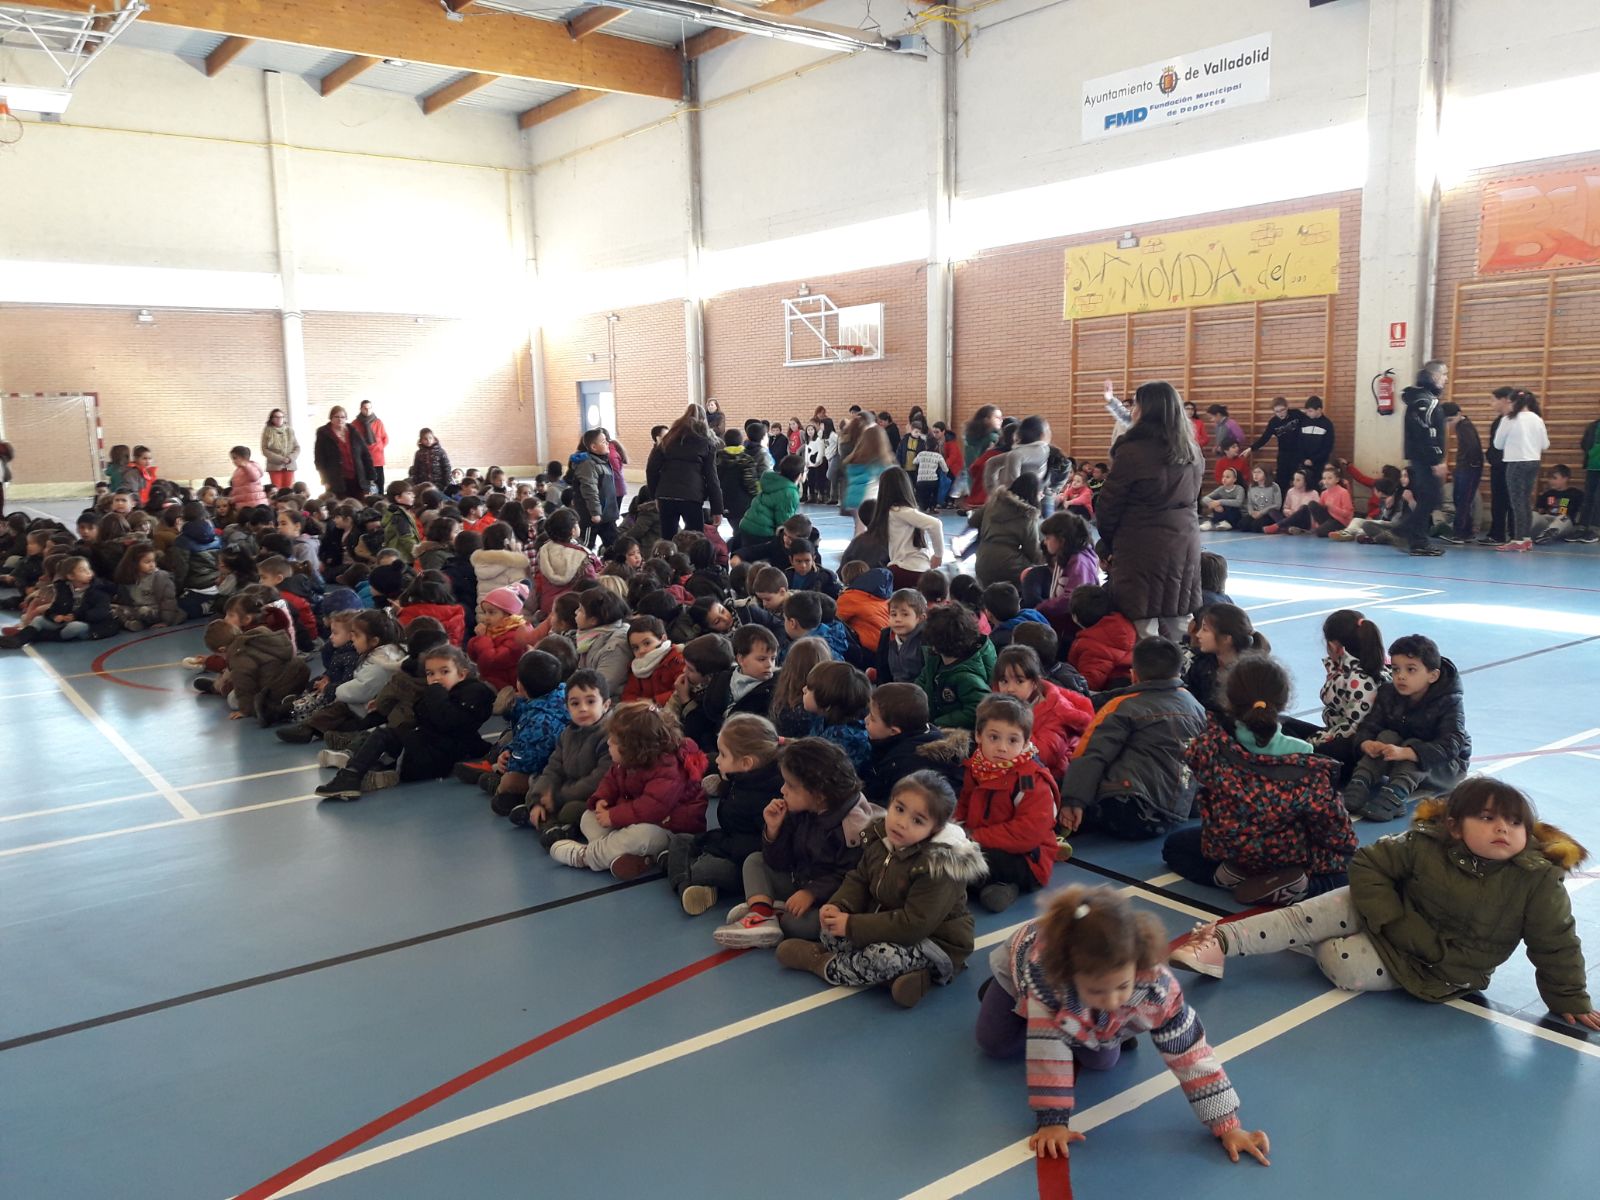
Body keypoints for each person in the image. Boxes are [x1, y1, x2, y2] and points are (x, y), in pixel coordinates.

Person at [1169, 777, 1596, 1033]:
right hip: (1386, 914)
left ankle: (1313, 936)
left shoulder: (1536, 880)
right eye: (1486, 818)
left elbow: (1555, 943)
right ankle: (1218, 941)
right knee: (1316, 911)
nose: (1503, 828)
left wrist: (1569, 998)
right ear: (1453, 826)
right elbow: (1369, 863)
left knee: (1344, 965)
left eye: (1514, 822)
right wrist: (1388, 914)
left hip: (1432, 967)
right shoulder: (1425, 844)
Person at [977, 886, 1269, 1166]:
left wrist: (1227, 1125)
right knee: (995, 1044)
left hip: (1083, 1005)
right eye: (1098, 991)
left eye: (1122, 987)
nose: (1113, 1000)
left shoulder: (1158, 989)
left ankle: (1101, 1024)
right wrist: (1053, 1121)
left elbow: (1192, 1054)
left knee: (1101, 1061)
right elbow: (1047, 1051)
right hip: (1020, 970)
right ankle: (1005, 996)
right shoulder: (1050, 982)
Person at [776, 771, 986, 1009]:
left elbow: (914, 924)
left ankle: (821, 962)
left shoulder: (939, 867)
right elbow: (859, 879)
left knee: (881, 957)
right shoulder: (882, 839)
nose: (902, 822)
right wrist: (839, 906)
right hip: (884, 923)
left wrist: (852, 925)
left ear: (935, 829)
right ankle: (902, 979)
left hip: (933, 942)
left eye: (918, 821)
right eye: (899, 809)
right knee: (830, 930)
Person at [1164, 654, 1357, 906]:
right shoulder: (1305, 759)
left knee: (1174, 847)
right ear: (1284, 701)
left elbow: (1193, 764)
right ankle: (1299, 886)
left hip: (1230, 846)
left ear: (1228, 700)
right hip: (1289, 855)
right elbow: (1335, 831)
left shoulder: (1211, 746)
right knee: (1348, 873)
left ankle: (1227, 876)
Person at [712, 737, 876, 948]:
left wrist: (812, 893)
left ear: (818, 794)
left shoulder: (852, 827)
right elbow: (778, 862)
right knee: (754, 861)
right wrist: (773, 831)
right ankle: (762, 914)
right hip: (800, 879)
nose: (782, 790)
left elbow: (851, 878)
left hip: (831, 899)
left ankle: (772, 913)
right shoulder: (801, 809)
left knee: (798, 925)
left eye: (790, 785)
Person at [1061, 636, 1208, 841]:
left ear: (1134, 675)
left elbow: (1091, 753)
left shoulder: (1122, 706)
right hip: (1182, 809)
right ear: (1179, 671)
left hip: (1130, 811)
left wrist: (1072, 800)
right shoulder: (1195, 705)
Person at [546, 701, 708, 880]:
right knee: (588, 818)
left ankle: (586, 856)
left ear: (634, 750)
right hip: (633, 816)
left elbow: (651, 809)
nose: (608, 743)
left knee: (640, 836)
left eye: (614, 742)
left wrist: (613, 816)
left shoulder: (669, 771)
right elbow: (611, 780)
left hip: (669, 829)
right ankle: (632, 856)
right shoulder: (628, 761)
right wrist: (602, 799)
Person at [1096, 381, 1203, 641]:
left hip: (1141, 545)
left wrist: (1107, 545)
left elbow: (1109, 505)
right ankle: (1187, 677)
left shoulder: (1132, 451)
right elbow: (1193, 497)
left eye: (1136, 403)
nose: (1132, 410)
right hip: (1184, 542)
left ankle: (1152, 679)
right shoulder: (1192, 451)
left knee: (1143, 628)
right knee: (1180, 622)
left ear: (1147, 409)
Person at [315, 644, 493, 798]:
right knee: (383, 734)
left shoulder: (472, 693)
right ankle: (359, 774)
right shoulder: (438, 694)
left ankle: (367, 773)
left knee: (385, 737)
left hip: (437, 758)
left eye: (444, 671)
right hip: (427, 750)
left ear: (462, 674)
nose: (436, 678)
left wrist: (435, 693)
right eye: (430, 674)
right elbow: (423, 717)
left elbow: (450, 722)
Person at [667, 713, 785, 916]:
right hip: (728, 842)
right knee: (679, 841)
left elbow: (762, 848)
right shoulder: (741, 779)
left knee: (706, 868)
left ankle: (687, 877)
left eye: (722, 754)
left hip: (743, 860)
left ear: (746, 763)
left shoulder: (766, 795)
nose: (717, 760)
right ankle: (688, 886)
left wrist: (719, 848)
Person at [1343, 633, 1468, 822]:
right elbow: (1370, 725)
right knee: (1386, 735)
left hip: (1445, 768)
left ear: (1433, 675)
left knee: (1415, 744)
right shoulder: (1388, 693)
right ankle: (1360, 782)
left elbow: (1452, 744)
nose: (1400, 676)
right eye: (1395, 669)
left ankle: (1394, 795)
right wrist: (1366, 743)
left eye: (1411, 670)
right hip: (1398, 757)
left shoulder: (1449, 701)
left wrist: (1408, 752)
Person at [956, 695, 1058, 913]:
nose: (1002, 748)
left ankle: (978, 885)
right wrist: (954, 830)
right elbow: (963, 803)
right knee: (946, 848)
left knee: (966, 860)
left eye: (1012, 740)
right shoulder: (977, 766)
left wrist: (973, 836)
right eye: (994, 737)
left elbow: (1026, 834)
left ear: (1026, 742)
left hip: (1027, 859)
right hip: (981, 841)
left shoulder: (1031, 780)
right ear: (978, 735)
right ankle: (996, 886)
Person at [511, 668, 615, 841]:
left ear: (605, 705)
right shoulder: (567, 734)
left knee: (571, 810)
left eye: (590, 701)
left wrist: (557, 797)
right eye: (575, 703)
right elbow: (554, 768)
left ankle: (551, 824)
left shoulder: (610, 736)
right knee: (536, 785)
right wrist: (541, 797)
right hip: (567, 788)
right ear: (567, 707)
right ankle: (540, 813)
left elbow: (598, 780)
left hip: (596, 796)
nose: (582, 708)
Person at [646, 405, 723, 540]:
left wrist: (656, 495)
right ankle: (692, 561)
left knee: (668, 539)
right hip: (692, 496)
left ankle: (668, 560)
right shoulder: (706, 442)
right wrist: (717, 509)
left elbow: (651, 469)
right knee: (695, 540)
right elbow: (712, 477)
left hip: (666, 495)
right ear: (704, 420)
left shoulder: (668, 439)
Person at [1396, 361, 1449, 556]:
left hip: (1420, 457)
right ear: (1434, 377)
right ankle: (1406, 532)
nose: (1446, 379)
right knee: (1431, 498)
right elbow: (1429, 432)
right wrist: (1437, 459)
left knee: (1429, 498)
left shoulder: (1420, 400)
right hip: (1425, 458)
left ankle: (1413, 537)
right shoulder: (1426, 402)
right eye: (1444, 375)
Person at [915, 602, 994, 729]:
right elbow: (923, 681)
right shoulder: (935, 660)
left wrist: (940, 722)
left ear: (936, 644)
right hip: (931, 721)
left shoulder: (967, 677)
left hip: (955, 733)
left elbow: (978, 709)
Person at [1492, 387, 1549, 553]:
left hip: (1516, 462)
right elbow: (1545, 444)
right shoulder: (1536, 419)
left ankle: (1518, 539)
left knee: (1517, 502)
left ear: (1514, 402)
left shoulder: (1509, 419)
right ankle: (1525, 538)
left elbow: (1498, 444)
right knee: (1525, 501)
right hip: (1533, 462)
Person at [974, 473, 1043, 588]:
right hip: (1009, 567)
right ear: (1033, 493)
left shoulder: (993, 503)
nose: (1043, 494)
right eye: (1041, 491)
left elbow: (973, 520)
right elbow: (1034, 554)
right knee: (1039, 573)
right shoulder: (1027, 515)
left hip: (982, 562)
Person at [1436, 402, 1483, 545]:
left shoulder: (1465, 427)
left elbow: (1473, 447)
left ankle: (1460, 533)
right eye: (1446, 421)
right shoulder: (1461, 426)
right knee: (1460, 500)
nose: (1449, 424)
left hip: (1469, 469)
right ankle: (1466, 532)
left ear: (1459, 414)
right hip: (1465, 467)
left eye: (1450, 420)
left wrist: (1468, 465)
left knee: (1463, 501)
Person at [313, 406, 375, 499]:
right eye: (336, 417)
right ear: (331, 418)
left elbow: (365, 455)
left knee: (361, 505)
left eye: (342, 417)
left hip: (358, 479)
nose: (340, 419)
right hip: (336, 480)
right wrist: (325, 480)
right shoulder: (323, 433)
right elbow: (319, 459)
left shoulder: (354, 432)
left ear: (346, 418)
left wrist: (371, 476)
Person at [1245, 396, 1301, 494]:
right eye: (1277, 411)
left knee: (1299, 479)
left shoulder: (1296, 414)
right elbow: (1264, 438)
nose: (1280, 414)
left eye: (1282, 410)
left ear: (1287, 407)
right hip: (1284, 454)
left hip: (1299, 453)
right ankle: (1281, 504)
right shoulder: (1273, 422)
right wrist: (1251, 448)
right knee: (1281, 481)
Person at [840, 424, 893, 517]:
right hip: (869, 498)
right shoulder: (879, 462)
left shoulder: (854, 458)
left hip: (852, 497)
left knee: (859, 528)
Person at [1532, 464, 1584, 543]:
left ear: (1565, 479)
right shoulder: (1547, 494)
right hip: (1548, 520)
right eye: (1549, 478)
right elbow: (1540, 511)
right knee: (1533, 514)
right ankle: (1524, 532)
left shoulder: (1576, 494)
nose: (1551, 481)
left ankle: (1549, 533)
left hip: (1565, 523)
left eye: (1554, 478)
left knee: (1563, 517)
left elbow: (1582, 512)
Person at [1293, 396, 1335, 478]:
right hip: (1304, 463)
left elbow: (1328, 447)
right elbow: (1299, 442)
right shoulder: (1304, 422)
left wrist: (1313, 460)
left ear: (1319, 410)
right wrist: (1303, 459)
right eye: (1307, 411)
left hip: (1319, 464)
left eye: (1310, 411)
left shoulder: (1327, 424)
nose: (1307, 413)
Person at [352, 401, 389, 492]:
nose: (367, 410)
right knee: (365, 486)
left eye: (369, 408)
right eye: (365, 408)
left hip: (377, 459)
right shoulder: (354, 424)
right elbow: (354, 442)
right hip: (363, 460)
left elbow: (385, 438)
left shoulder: (378, 422)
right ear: (361, 409)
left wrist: (379, 448)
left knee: (379, 484)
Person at [261, 408, 300, 490]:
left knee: (288, 490)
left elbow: (297, 447)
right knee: (277, 490)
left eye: (281, 417)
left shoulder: (289, 430)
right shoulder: (267, 431)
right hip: (274, 466)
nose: (279, 419)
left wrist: (290, 458)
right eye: (276, 417)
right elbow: (265, 450)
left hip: (289, 465)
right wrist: (281, 459)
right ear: (272, 418)